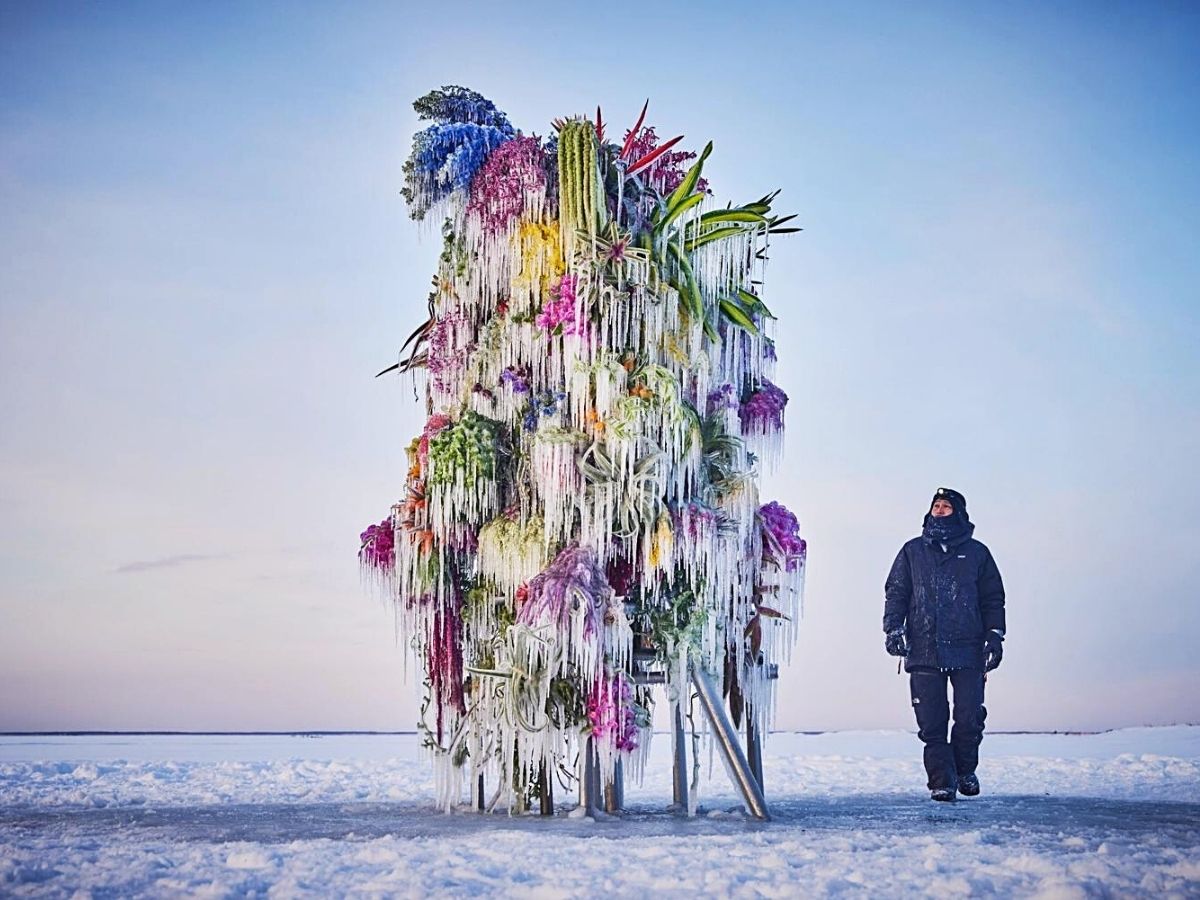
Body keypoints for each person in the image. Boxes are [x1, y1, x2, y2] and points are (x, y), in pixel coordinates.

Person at [883, 487, 1006, 801]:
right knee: (932, 723)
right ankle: (942, 780)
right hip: (924, 649)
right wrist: (893, 629)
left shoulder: (978, 553)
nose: (939, 509)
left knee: (968, 717)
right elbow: (896, 593)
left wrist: (994, 636)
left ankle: (965, 769)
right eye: (936, 505)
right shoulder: (912, 551)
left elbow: (993, 599)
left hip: (968, 650)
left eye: (946, 506)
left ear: (959, 513)